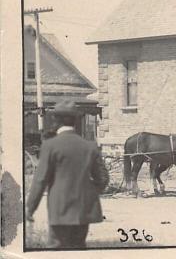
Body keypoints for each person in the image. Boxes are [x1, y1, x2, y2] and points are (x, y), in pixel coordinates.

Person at [26, 100, 109, 248]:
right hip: (84, 211)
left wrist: (30, 209)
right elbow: (103, 179)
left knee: (57, 249)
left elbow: (40, 180)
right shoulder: (90, 147)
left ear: (56, 120)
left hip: (59, 210)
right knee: (78, 248)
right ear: (75, 121)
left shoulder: (50, 146)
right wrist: (89, 193)